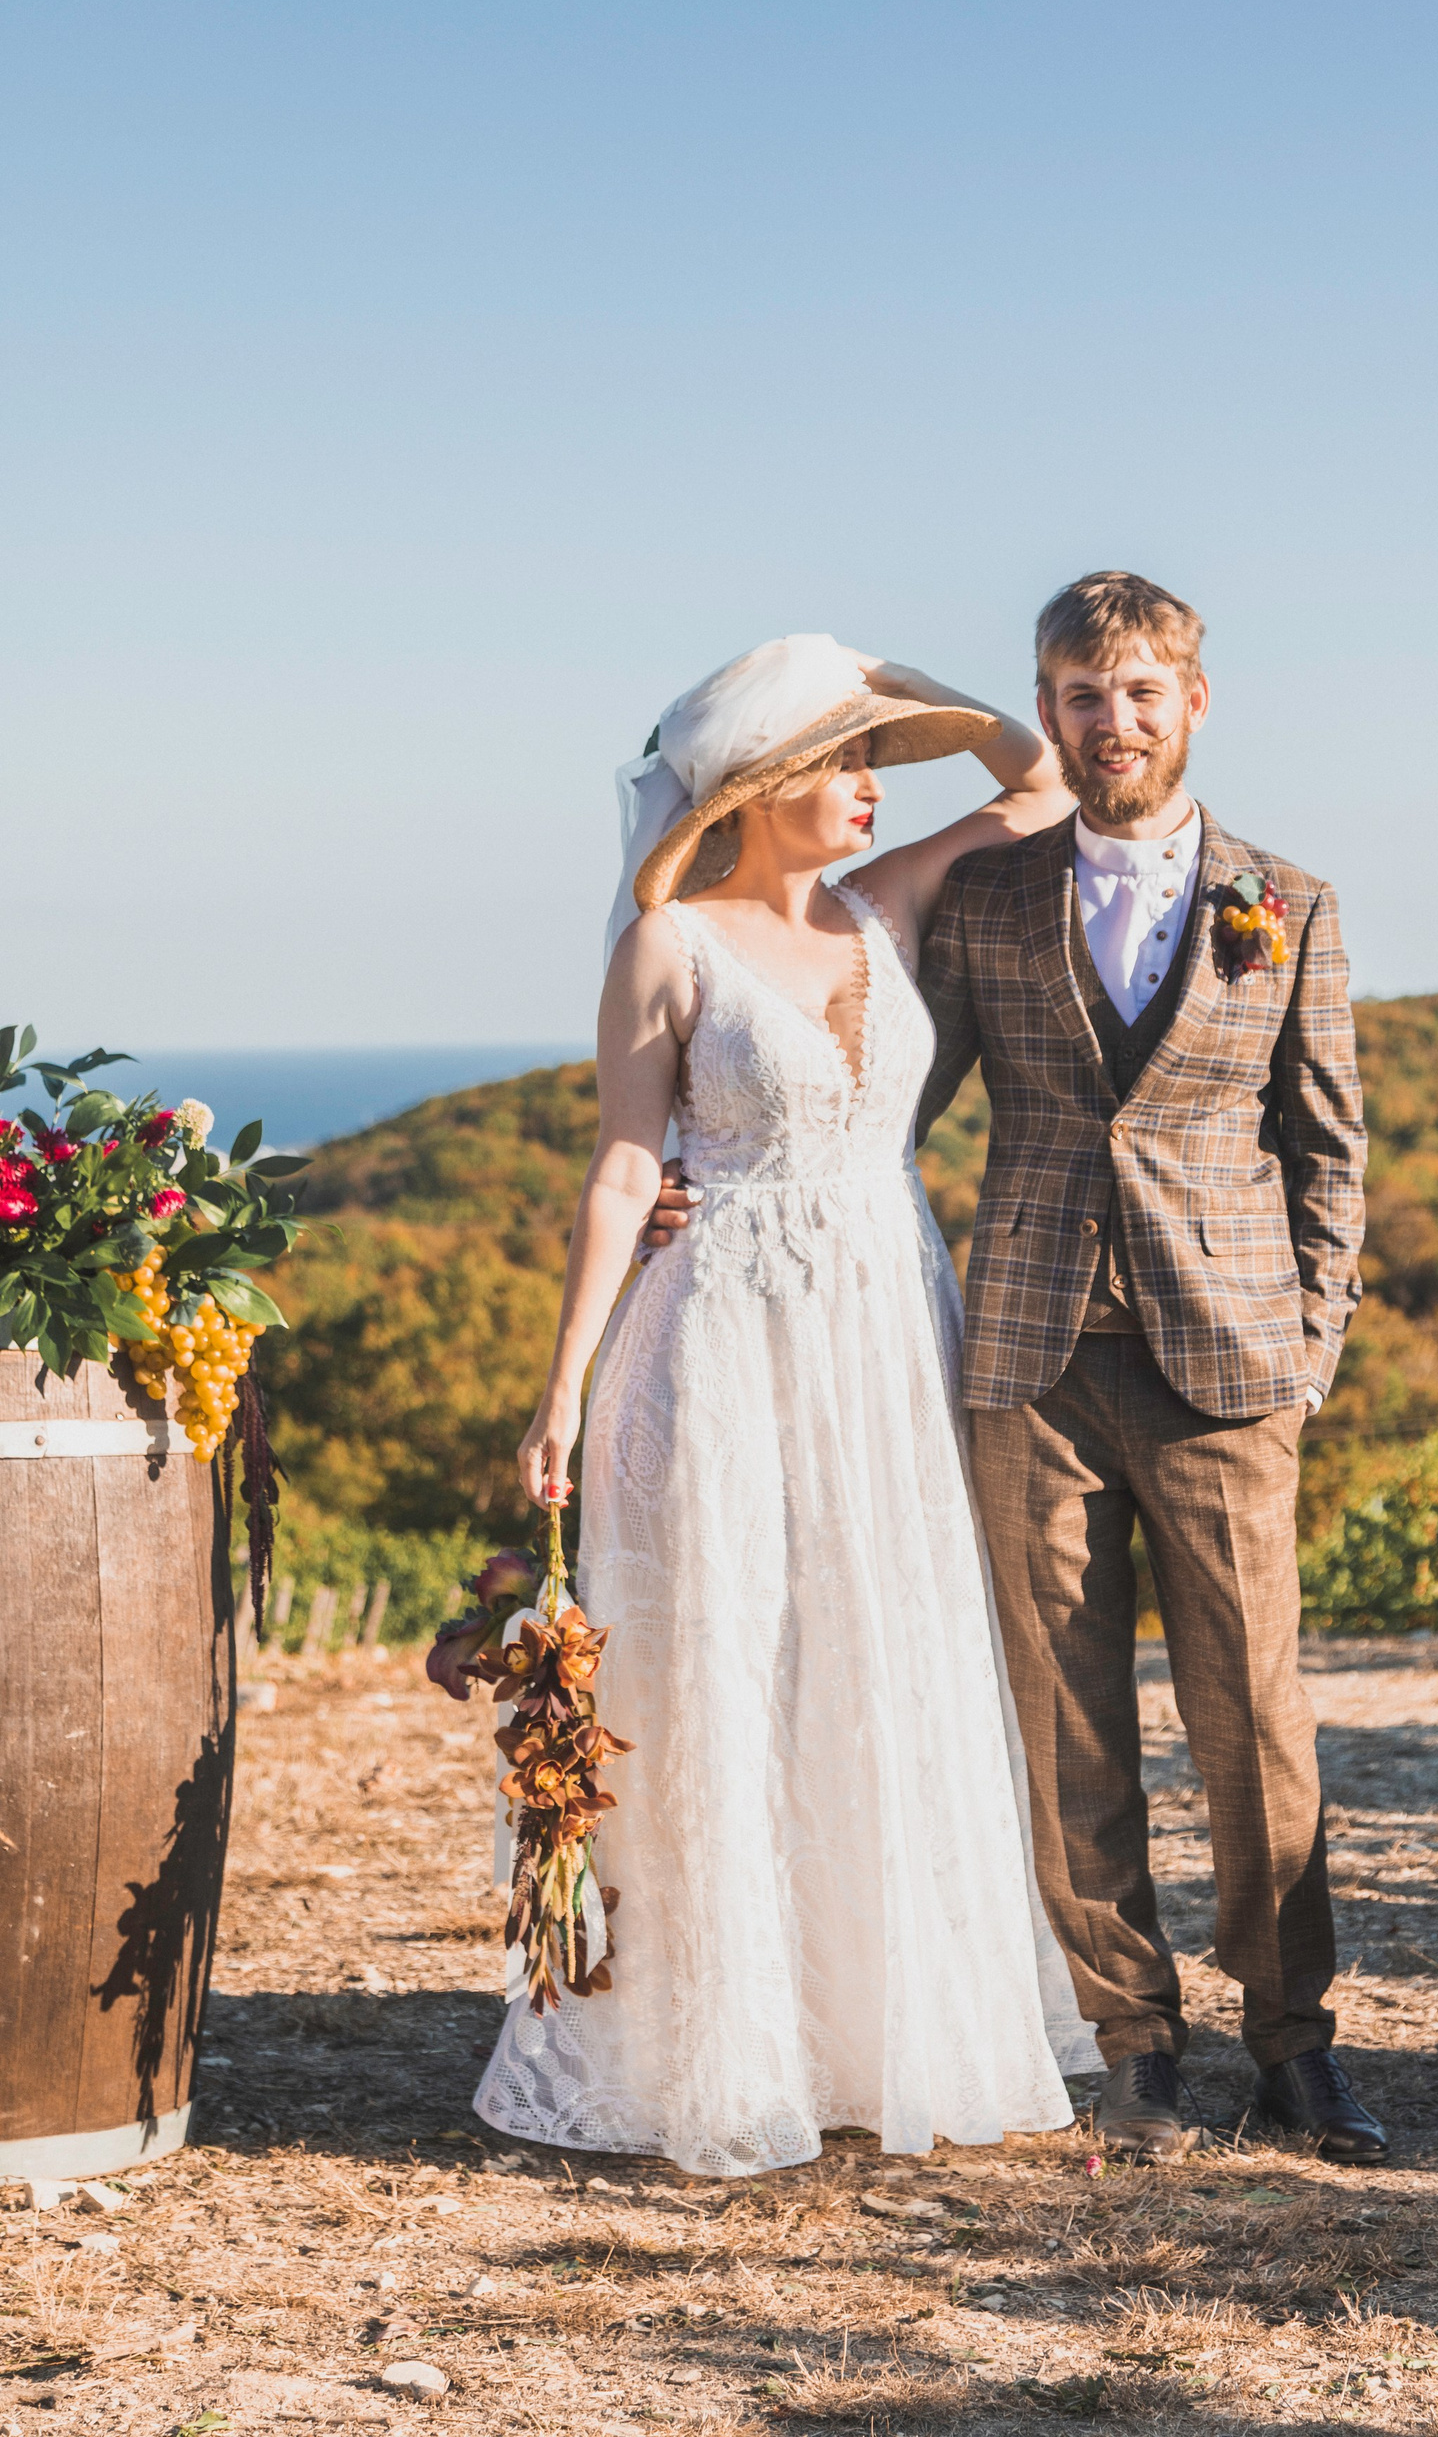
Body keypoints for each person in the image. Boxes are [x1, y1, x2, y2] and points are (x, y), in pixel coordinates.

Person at [649, 572, 1384, 2166]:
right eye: (1080, 696)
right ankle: (1134, 2044)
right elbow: (877, 1103)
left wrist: (1309, 1349)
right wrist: (709, 1174)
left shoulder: (1293, 900)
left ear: (1193, 702)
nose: (1112, 722)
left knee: (1255, 1722)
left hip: (1227, 1366)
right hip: (1026, 1362)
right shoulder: (987, 900)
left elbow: (1329, 1151)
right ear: (1049, 708)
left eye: (1140, 693)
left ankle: (1296, 2046)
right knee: (1064, 1724)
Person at [473, 631, 1100, 2179]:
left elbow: (1040, 784)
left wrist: (896, 681)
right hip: (723, 1333)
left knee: (880, 1645)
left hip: (884, 1328)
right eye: (840, 760)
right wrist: (560, 1392)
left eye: (874, 760)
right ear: (754, 786)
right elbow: (626, 1167)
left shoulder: (884, 905)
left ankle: (874, 2031)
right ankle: (730, 2044)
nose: (872, 786)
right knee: (732, 1653)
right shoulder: (667, 943)